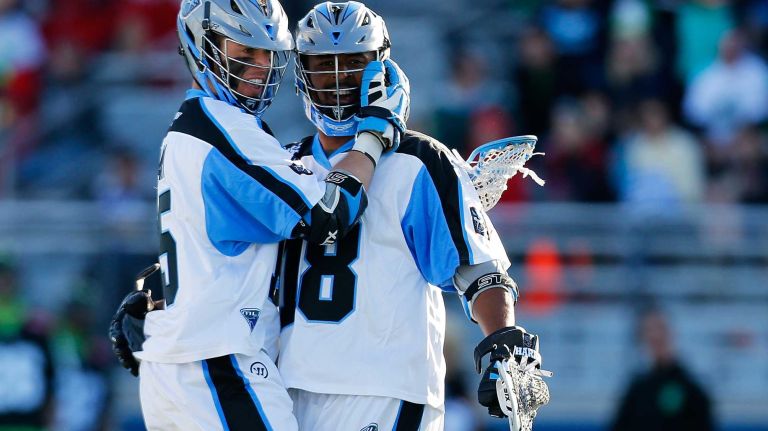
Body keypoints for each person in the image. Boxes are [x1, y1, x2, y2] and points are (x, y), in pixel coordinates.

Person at [109, 0, 409, 429]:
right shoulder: (222, 127)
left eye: (268, 53)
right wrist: (375, 135)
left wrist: (157, 292)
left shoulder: (195, 127)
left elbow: (213, 238)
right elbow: (327, 215)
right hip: (219, 362)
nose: (260, 67)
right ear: (201, 44)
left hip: (188, 363)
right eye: (245, 53)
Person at [277, 2, 547, 429]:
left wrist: (503, 338)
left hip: (386, 390)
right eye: (323, 67)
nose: (338, 82)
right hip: (288, 390)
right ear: (301, 73)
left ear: (378, 68)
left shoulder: (418, 160)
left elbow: (479, 271)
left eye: (352, 65)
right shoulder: (282, 164)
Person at [610, 308, 715, 431]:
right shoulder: (636, 390)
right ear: (642, 337)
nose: (656, 335)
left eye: (661, 328)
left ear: (672, 333)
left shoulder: (692, 390)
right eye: (649, 330)